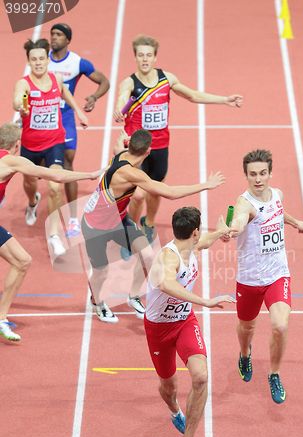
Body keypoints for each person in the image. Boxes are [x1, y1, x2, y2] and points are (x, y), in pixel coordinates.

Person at [113, 34, 243, 257]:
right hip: (136, 149)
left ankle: (149, 223)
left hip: (160, 145)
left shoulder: (166, 79)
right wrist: (118, 109)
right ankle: (130, 233)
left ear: (155, 58)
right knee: (138, 195)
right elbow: (122, 98)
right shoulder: (129, 83)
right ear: (135, 57)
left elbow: (192, 95)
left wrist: (224, 100)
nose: (145, 59)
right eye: (140, 55)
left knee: (156, 191)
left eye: (149, 55)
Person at [81, 129, 225, 323]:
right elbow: (170, 192)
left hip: (118, 220)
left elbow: (118, 144)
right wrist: (206, 185)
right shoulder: (130, 173)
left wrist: (124, 138)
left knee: (148, 256)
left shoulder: (121, 153)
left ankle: (133, 297)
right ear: (148, 151)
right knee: (101, 271)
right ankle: (97, 302)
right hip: (95, 227)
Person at [144, 206, 235, 437]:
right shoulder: (168, 258)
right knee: (168, 387)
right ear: (193, 232)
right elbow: (166, 284)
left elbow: (204, 242)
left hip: (184, 322)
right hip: (159, 329)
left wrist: (220, 231)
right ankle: (174, 410)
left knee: (201, 376)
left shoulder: (191, 245)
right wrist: (204, 301)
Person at [0, 122, 102, 341]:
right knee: (21, 261)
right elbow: (55, 176)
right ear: (17, 144)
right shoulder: (11, 160)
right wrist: (91, 175)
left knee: (22, 261)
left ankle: (1, 319)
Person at [224, 149, 303, 404]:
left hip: (277, 274)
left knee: (280, 325)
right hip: (250, 279)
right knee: (247, 327)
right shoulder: (244, 204)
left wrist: (296, 223)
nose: (258, 179)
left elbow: (277, 212)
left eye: (262, 173)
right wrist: (234, 228)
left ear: (270, 173)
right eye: (253, 174)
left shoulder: (278, 194)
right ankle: (244, 354)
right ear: (246, 176)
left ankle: (273, 373)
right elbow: (240, 220)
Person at [13, 38, 89, 258]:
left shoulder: (56, 79)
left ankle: (54, 235)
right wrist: (21, 105)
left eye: (41, 58)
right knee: (29, 183)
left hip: (54, 142)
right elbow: (18, 100)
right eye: (33, 59)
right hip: (30, 146)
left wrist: (79, 113)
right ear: (29, 61)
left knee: (55, 186)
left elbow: (66, 93)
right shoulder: (24, 83)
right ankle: (32, 202)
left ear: (47, 60)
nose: (38, 63)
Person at [49, 23, 110, 237]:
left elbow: (104, 81)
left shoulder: (77, 63)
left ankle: (73, 219)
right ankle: (34, 200)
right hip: (42, 117)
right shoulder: (41, 59)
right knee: (38, 164)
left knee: (68, 160)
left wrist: (94, 97)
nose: (53, 38)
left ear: (67, 40)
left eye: (58, 35)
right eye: (52, 34)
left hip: (65, 117)